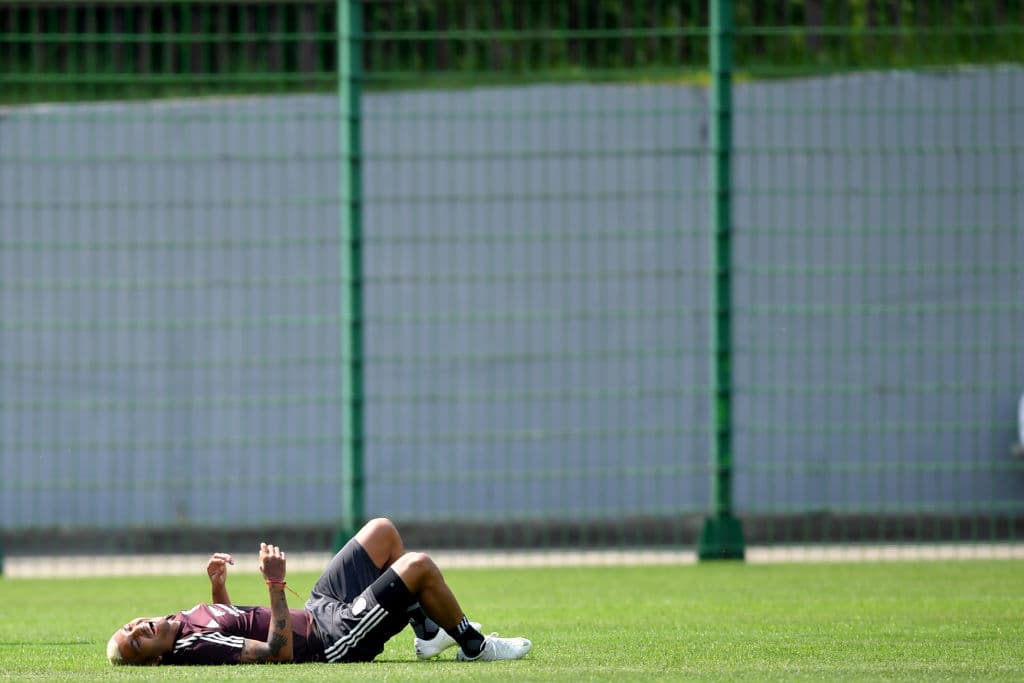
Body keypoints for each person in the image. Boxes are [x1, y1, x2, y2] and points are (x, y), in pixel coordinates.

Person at [106, 517, 532, 665]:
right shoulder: (190, 648)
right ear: (157, 660)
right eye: (137, 643)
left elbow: (237, 630)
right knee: (417, 566)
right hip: (331, 638)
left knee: (381, 532)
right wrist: (274, 583)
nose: (139, 629)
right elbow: (277, 652)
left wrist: (220, 591)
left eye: (130, 627)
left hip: (319, 608)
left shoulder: (183, 625)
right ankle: (474, 647)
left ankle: (425, 634)